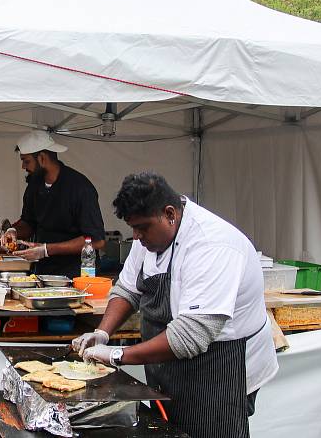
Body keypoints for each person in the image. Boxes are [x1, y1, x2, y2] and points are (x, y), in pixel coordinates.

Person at [72, 172, 278, 438]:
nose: (136, 236)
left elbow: (190, 336)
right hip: (167, 360)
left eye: (142, 228)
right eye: (132, 227)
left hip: (221, 366)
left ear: (170, 213)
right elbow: (128, 290)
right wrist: (102, 333)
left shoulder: (212, 245)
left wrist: (117, 355)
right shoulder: (148, 236)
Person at [0, 130, 105, 279]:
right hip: (44, 271)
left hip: (77, 274)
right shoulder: (34, 186)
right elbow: (29, 222)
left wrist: (46, 249)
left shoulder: (80, 188)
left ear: (42, 158)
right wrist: (13, 231)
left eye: (26, 161)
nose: (23, 166)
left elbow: (97, 241)